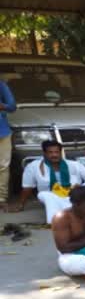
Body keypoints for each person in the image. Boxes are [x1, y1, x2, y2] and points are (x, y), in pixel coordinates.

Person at [14, 140, 85, 222]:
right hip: (54, 197)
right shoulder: (33, 167)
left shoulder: (74, 164)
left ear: (60, 152)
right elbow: (27, 188)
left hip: (76, 195)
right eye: (50, 152)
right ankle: (58, 219)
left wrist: (82, 188)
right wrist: (21, 205)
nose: (54, 155)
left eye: (57, 152)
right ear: (44, 153)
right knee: (42, 194)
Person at [0, 77, 16, 212]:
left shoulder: (1, 85)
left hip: (2, 131)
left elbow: (12, 106)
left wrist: (2, 106)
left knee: (3, 166)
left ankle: (2, 199)